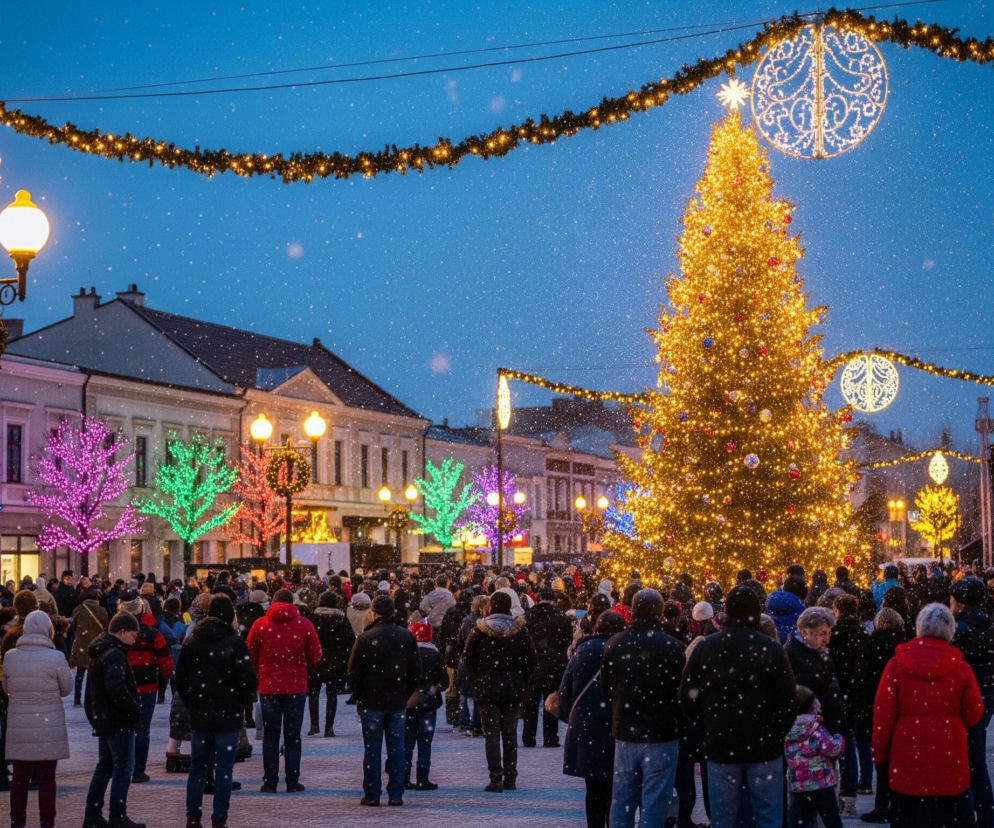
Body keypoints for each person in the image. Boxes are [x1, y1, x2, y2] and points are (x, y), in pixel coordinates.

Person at [681, 583, 798, 828]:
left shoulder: (706, 647)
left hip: (722, 745)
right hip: (762, 746)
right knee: (767, 817)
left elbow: (688, 696)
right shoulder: (770, 648)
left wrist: (707, 727)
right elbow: (788, 699)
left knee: (724, 818)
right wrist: (775, 732)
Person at [873, 602, 984, 827]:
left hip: (906, 761)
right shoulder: (960, 668)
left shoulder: (896, 666)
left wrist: (881, 757)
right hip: (950, 761)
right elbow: (974, 714)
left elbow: (883, 716)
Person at [600, 588, 686, 828]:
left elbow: (606, 688)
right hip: (661, 733)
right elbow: (682, 692)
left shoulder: (615, 644)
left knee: (622, 798)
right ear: (659, 612)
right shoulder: (672, 646)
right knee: (655, 802)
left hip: (625, 730)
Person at [177, 595, 258, 828]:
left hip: (201, 715)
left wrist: (193, 701)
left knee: (197, 768)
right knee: (224, 769)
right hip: (228, 716)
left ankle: (193, 817)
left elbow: (180, 680)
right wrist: (240, 704)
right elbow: (248, 680)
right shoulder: (234, 643)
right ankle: (219, 818)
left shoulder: (192, 641)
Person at [246, 588, 321, 793]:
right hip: (296, 685)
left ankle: (270, 781)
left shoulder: (260, 624)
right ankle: (292, 780)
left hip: (269, 685)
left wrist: (261, 669)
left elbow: (250, 652)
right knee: (293, 735)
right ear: (293, 603)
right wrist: (302, 666)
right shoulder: (304, 624)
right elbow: (315, 654)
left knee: (271, 734)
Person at [2, 610, 73, 828]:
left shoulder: (10, 657)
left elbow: (7, 687)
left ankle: (17, 820)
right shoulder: (56, 657)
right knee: (46, 779)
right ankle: (47, 820)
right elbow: (66, 688)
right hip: (48, 726)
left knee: (19, 778)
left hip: (19, 725)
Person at [347, 594, 419, 806]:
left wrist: (360, 694)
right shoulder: (405, 636)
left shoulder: (365, 638)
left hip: (372, 701)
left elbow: (353, 672)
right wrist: (405, 693)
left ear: (374, 613)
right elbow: (416, 670)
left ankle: (372, 793)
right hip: (396, 700)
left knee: (373, 750)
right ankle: (396, 793)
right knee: (397, 748)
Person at [463, 589, 537, 793]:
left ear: (490, 606)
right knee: (510, 734)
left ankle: (495, 778)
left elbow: (468, 659)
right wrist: (520, 678)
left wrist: (480, 675)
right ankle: (510, 777)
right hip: (512, 688)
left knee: (492, 735)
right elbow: (531, 660)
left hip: (487, 688)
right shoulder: (520, 631)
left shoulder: (479, 631)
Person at [559, 609, 625, 828]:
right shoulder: (623, 650)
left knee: (594, 789)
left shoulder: (582, 651)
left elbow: (565, 691)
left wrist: (573, 716)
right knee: (616, 787)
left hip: (587, 725)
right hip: (617, 724)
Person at [83, 612, 144, 828]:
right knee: (122, 769)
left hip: (104, 719)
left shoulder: (99, 652)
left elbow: (91, 692)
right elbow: (116, 688)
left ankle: (93, 815)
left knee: (105, 767)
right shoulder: (115, 654)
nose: (135, 640)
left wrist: (95, 716)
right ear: (122, 631)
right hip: (117, 721)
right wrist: (134, 710)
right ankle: (117, 816)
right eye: (133, 635)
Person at [949, 575, 994, 828]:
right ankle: (985, 814)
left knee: (967, 761)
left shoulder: (959, 630)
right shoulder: (988, 625)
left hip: (966, 699)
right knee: (975, 759)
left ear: (961, 603)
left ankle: (970, 815)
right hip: (986, 696)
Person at [118, 594, 174, 784]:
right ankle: (138, 770)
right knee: (142, 729)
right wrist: (166, 675)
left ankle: (123, 767)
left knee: (123, 728)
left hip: (122, 687)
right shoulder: (152, 634)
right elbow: (166, 663)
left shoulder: (117, 633)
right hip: (146, 687)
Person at [859, 607, 908, 823]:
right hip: (901, 709)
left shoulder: (871, 645)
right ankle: (896, 803)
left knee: (881, 758)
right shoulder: (904, 646)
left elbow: (863, 677)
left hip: (876, 705)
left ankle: (882, 804)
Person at [785, 685, 845, 828]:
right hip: (821, 784)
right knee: (831, 818)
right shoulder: (817, 731)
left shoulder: (788, 732)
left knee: (801, 820)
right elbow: (832, 749)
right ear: (812, 707)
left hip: (799, 786)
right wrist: (839, 738)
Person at [521, 588, 573, 748]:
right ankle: (550, 738)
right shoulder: (561, 617)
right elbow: (567, 640)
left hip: (532, 664)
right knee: (551, 701)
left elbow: (522, 640)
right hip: (554, 665)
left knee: (530, 702)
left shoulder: (528, 616)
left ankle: (528, 737)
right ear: (553, 600)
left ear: (538, 598)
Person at [404, 621, 449, 790]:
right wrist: (433, 688)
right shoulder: (435, 654)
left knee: (406, 742)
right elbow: (444, 681)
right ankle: (422, 778)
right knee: (425, 742)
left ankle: (404, 777)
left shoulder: (406, 653)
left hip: (408, 703)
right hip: (428, 703)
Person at [307, 590, 354, 738]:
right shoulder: (341, 619)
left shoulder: (312, 618)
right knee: (332, 695)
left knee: (313, 693)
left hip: (315, 662)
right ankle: (329, 727)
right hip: (336, 663)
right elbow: (350, 642)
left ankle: (314, 725)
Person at [70, 588, 108, 706]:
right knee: (96, 673)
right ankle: (94, 698)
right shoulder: (102, 610)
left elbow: (73, 625)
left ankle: (77, 698)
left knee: (80, 673)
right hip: (97, 644)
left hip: (81, 643)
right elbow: (105, 626)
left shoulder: (78, 609)